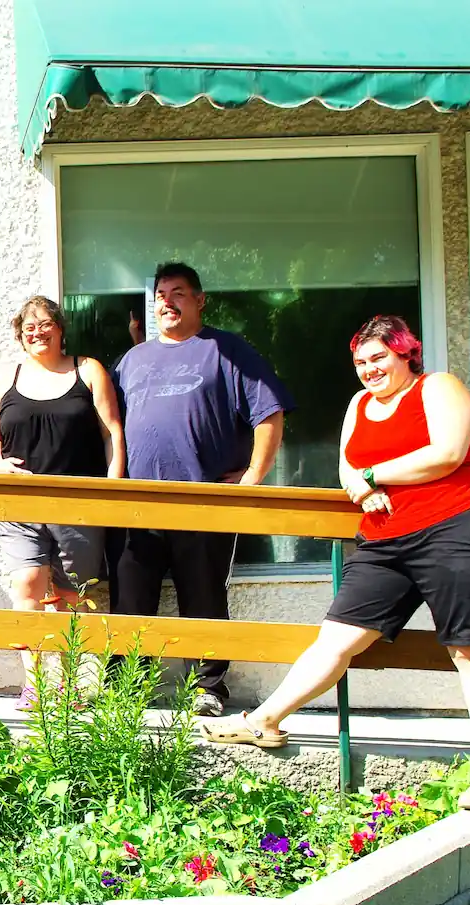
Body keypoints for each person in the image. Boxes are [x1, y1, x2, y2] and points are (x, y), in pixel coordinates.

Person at [202, 315, 470, 811]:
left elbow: (448, 453)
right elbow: (347, 466)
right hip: (385, 540)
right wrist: (361, 482)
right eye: (361, 362)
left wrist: (373, 475)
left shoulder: (438, 387)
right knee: (338, 637)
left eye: (379, 358)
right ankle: (263, 719)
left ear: (405, 353)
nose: (369, 370)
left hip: (456, 527)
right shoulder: (360, 404)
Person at [111, 262, 295, 716]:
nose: (167, 302)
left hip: (204, 500)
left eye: (177, 293)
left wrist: (253, 475)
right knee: (130, 599)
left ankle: (207, 688)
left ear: (199, 300)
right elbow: (108, 423)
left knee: (204, 595)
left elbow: (269, 412)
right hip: (138, 504)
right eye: (160, 295)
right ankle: (127, 692)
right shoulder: (132, 360)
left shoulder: (226, 351)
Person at [0, 297, 124, 709]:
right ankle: (36, 683)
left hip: (79, 503)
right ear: (20, 335)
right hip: (22, 502)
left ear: (60, 328)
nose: (37, 332)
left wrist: (113, 489)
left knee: (73, 592)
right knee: (27, 583)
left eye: (45, 325)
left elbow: (111, 432)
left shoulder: (88, 370)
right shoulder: (7, 377)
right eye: (29, 327)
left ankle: (73, 682)